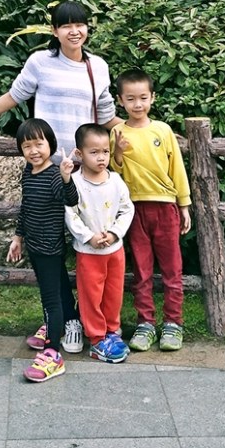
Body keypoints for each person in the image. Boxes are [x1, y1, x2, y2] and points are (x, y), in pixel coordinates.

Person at [0, 0, 121, 158]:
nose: (74, 31)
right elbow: (13, 96)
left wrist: (143, 127)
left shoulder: (98, 66)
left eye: (79, 25)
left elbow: (105, 116)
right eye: (66, 26)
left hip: (84, 166)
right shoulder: (40, 62)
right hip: (46, 164)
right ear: (54, 31)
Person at [110, 69, 192, 353]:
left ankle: (173, 323)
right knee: (141, 271)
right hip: (134, 209)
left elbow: (177, 169)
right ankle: (145, 323)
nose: (137, 104)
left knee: (172, 269)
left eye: (143, 98)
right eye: (130, 99)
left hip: (165, 206)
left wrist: (184, 205)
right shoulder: (117, 133)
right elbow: (113, 171)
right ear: (120, 100)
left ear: (152, 98)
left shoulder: (163, 130)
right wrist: (118, 151)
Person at [6, 118, 80, 382]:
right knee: (58, 289)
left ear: (51, 144)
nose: (34, 151)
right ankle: (56, 327)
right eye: (27, 146)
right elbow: (26, 208)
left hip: (50, 246)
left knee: (50, 300)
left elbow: (71, 199)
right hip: (35, 246)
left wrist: (66, 176)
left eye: (39, 144)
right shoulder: (29, 172)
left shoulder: (53, 175)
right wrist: (18, 237)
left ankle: (53, 355)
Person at [65, 123, 134, 363]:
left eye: (105, 151)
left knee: (113, 292)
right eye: (94, 152)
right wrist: (88, 237)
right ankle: (96, 339)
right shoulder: (74, 183)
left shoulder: (115, 181)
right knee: (91, 295)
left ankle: (112, 331)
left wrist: (115, 233)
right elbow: (70, 214)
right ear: (79, 154)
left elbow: (127, 209)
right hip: (88, 251)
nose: (101, 157)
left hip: (115, 250)